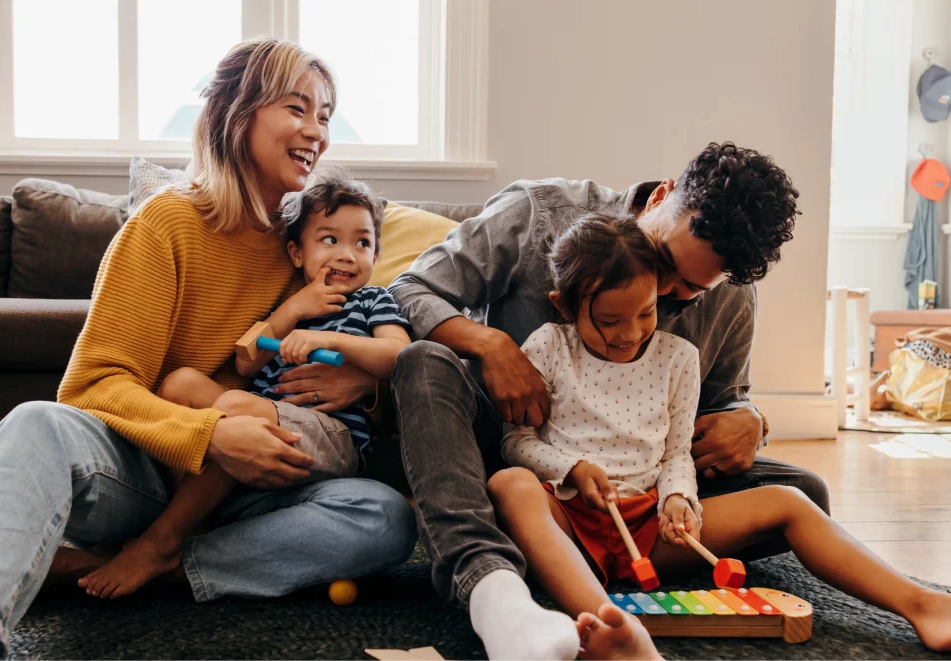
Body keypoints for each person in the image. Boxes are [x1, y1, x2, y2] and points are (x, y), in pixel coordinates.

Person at [0, 38, 416, 660]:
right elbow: (93, 384)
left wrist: (364, 386)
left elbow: (370, 353)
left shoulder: (313, 242)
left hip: (265, 485)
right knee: (36, 424)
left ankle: (157, 562)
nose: (316, 130)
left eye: (325, 114)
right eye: (298, 108)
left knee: (384, 518)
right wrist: (207, 435)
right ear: (238, 114)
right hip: (149, 472)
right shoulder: (167, 224)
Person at [387, 142, 826, 661]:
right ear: (662, 196)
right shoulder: (537, 214)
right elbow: (410, 287)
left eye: (689, 291)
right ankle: (488, 575)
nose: (662, 294)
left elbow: (724, 402)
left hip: (634, 482)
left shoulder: (730, 294)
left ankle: (586, 552)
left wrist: (749, 420)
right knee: (422, 363)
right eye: (664, 263)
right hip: (505, 446)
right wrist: (491, 345)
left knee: (803, 492)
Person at [490, 213, 951, 658]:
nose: (630, 334)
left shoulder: (679, 358)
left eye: (646, 313)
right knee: (508, 485)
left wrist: (678, 500)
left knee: (790, 500)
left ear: (659, 293)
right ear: (565, 305)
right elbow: (516, 443)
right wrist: (573, 469)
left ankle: (923, 604)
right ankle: (612, 623)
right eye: (609, 321)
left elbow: (676, 456)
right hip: (567, 520)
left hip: (649, 528)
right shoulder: (549, 346)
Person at [78, 173, 413, 600]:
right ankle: (194, 520)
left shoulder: (373, 300)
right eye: (330, 240)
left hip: (330, 435)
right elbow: (246, 359)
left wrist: (330, 339)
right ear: (297, 252)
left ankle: (163, 540)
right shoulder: (291, 302)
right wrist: (293, 310)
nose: (346, 255)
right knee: (182, 383)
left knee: (238, 406)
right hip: (259, 422)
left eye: (362, 243)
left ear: (377, 253)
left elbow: (398, 356)